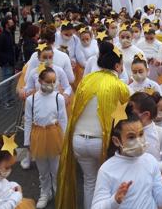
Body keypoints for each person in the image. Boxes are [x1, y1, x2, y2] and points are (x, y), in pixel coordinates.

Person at [56, 42, 130, 209]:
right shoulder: (119, 85)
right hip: (101, 142)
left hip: (78, 141)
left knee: (89, 182)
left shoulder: (87, 80)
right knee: (106, 185)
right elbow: (129, 114)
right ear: (117, 66)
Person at [91, 103, 162, 209]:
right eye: (131, 137)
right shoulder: (107, 169)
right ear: (116, 141)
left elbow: (161, 202)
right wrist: (114, 200)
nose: (138, 141)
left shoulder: (150, 161)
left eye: (141, 134)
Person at [24, 67, 67, 208]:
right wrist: (27, 141)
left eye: (54, 81)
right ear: (40, 81)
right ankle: (45, 192)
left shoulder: (58, 98)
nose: (51, 84)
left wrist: (65, 139)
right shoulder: (31, 99)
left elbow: (63, 119)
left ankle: (57, 191)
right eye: (48, 81)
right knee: (42, 169)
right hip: (38, 134)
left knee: (55, 168)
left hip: (54, 134)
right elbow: (28, 120)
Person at [130, 92, 162, 173]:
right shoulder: (125, 131)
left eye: (131, 112)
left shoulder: (161, 133)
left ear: (146, 115)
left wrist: (148, 166)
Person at [0, 18, 17, 106]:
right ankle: (5, 101)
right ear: (6, 25)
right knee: (6, 82)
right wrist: (5, 60)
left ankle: (9, 98)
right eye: (11, 23)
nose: (13, 25)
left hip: (11, 62)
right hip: (7, 63)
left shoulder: (10, 34)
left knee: (10, 82)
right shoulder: (2, 36)